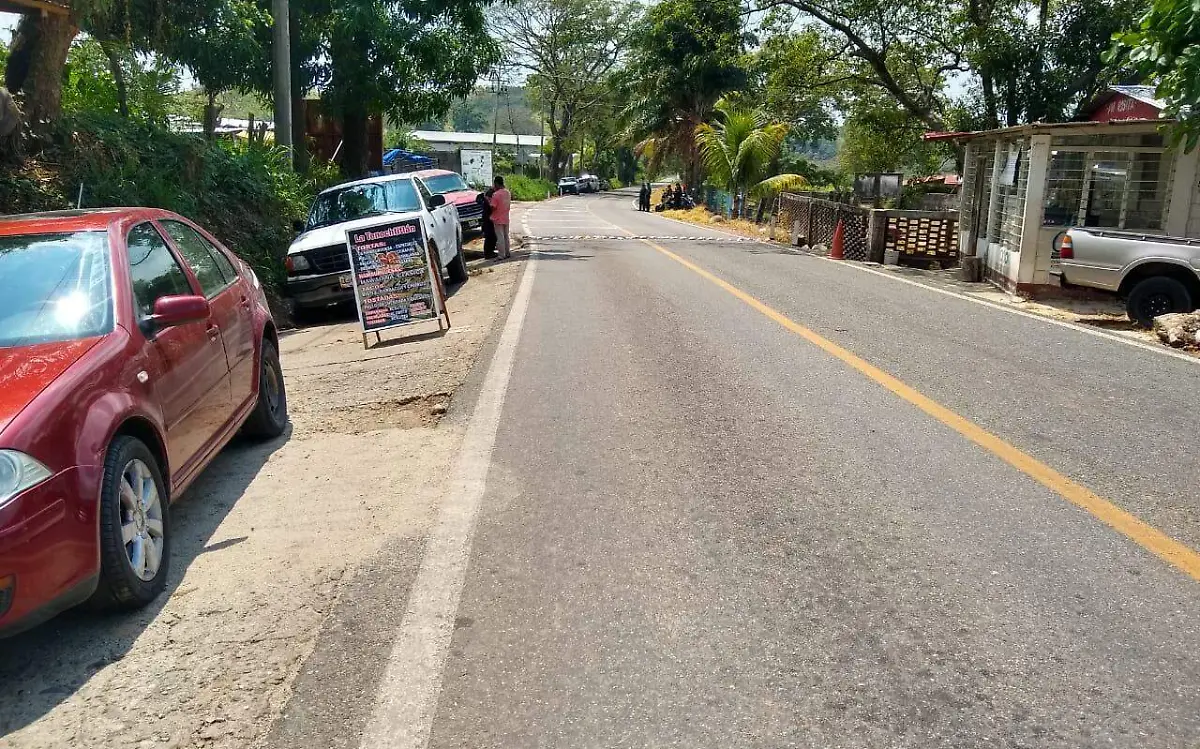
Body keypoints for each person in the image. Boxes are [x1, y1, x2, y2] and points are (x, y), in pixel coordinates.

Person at [489, 175, 513, 259]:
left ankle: (501, 255)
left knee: (500, 237)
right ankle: (507, 252)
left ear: (496, 183)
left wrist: (488, 201)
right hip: (506, 217)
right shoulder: (508, 192)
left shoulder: (496, 194)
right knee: (506, 236)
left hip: (497, 218)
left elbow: (493, 206)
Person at [477, 187, 497, 259]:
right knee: (490, 237)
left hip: (487, 220)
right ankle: (488, 253)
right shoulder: (487, 201)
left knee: (491, 237)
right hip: (488, 221)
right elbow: (489, 210)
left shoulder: (485, 200)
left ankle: (489, 252)